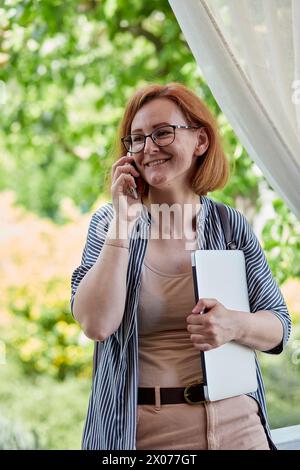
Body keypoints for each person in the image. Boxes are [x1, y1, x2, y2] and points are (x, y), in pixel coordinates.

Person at [70, 82, 291, 450]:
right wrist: (122, 225)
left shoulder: (228, 224)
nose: (149, 148)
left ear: (200, 141)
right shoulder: (109, 224)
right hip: (145, 433)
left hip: (239, 426)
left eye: (162, 133)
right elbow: (96, 324)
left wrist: (235, 324)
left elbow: (280, 327)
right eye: (137, 139)